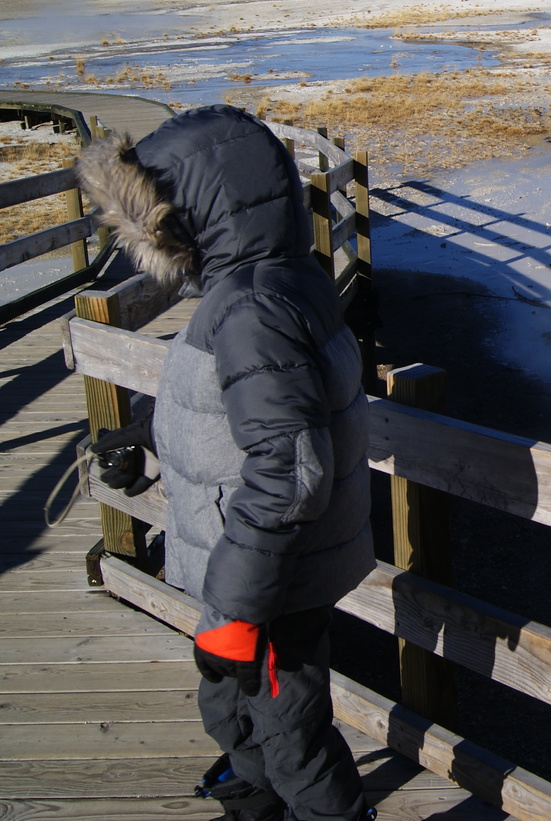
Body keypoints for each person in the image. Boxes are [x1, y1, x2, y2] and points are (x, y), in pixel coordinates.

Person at [77, 105, 375, 821]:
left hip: (266, 586)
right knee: (237, 714)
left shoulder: (251, 308)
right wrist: (152, 442)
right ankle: (251, 805)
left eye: (151, 225)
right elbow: (241, 415)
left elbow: (287, 471)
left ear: (195, 214)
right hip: (253, 573)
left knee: (291, 740)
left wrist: (237, 612)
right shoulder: (269, 283)